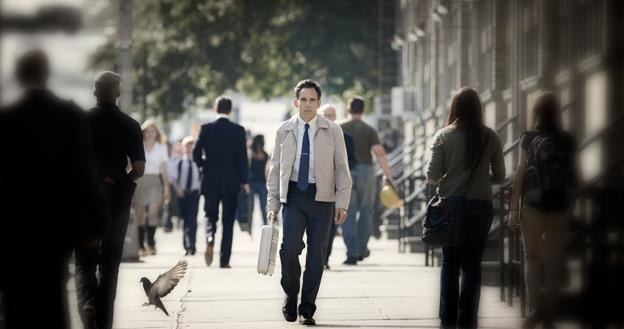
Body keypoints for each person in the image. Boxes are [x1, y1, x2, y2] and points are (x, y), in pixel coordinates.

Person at [0, 49, 108, 329]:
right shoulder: (69, 116)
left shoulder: (7, 120)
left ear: (20, 76)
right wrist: (96, 225)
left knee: (16, 303)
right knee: (52, 299)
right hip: (56, 227)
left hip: (14, 228)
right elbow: (84, 174)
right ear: (47, 75)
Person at [267, 79, 352, 325]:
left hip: (323, 199)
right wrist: (272, 205)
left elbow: (342, 170)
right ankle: (291, 295)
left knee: (316, 256)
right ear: (296, 102)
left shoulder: (332, 130)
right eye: (303, 99)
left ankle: (307, 309)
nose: (307, 104)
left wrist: (342, 203)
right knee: (289, 249)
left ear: (318, 102)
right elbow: (275, 170)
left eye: (312, 99)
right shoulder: (283, 130)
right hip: (293, 197)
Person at [426, 87, 505, 329]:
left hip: (450, 206)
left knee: (450, 263)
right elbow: (500, 175)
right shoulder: (490, 136)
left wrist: (452, 179)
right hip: (480, 205)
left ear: (455, 108)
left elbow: (432, 175)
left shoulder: (443, 135)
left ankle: (447, 319)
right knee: (472, 265)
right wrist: (481, 179)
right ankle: (468, 319)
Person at [74, 71, 146, 329]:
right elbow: (138, 168)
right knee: (110, 264)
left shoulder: (79, 122)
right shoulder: (129, 125)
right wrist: (123, 179)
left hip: (83, 200)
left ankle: (87, 305)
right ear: (117, 93)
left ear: (94, 91)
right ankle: (104, 321)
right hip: (116, 201)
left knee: (84, 262)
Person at [508, 92, 578, 329]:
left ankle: (538, 310)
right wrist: (572, 204)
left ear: (535, 113)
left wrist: (513, 208)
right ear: (558, 113)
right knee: (554, 261)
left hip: (533, 205)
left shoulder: (528, 138)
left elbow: (520, 173)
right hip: (560, 206)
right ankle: (548, 315)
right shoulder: (568, 139)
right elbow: (575, 175)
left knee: (532, 258)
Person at [193, 95, 250, 268]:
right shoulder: (238, 130)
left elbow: (196, 153)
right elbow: (242, 158)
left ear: (215, 109)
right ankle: (224, 260)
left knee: (210, 215)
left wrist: (204, 166)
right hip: (231, 182)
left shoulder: (206, 129)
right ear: (230, 110)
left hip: (210, 180)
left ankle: (210, 236)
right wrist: (244, 181)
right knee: (228, 221)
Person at [339, 96, 393, 264]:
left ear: (349, 110)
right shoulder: (369, 130)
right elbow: (380, 153)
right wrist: (388, 176)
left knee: (347, 212)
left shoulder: (339, 127)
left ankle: (352, 252)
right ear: (363, 111)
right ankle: (362, 248)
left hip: (345, 172)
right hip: (366, 173)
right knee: (366, 211)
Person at [319, 104, 357, 270]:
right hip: (316, 188)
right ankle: (316, 256)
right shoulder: (312, 135)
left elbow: (353, 161)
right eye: (325, 115)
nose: (328, 118)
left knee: (331, 227)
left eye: (331, 115)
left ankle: (324, 259)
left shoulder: (345, 137)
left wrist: (341, 167)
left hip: (335, 188)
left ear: (336, 117)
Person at [132, 119, 170, 256]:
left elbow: (164, 169)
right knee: (140, 215)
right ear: (144, 133)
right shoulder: (139, 145)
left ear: (156, 133)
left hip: (155, 181)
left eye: (153, 131)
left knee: (153, 214)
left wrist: (166, 188)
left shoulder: (162, 147)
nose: (150, 134)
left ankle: (151, 243)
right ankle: (141, 246)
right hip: (140, 180)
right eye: (147, 131)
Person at [171, 136, 202, 256]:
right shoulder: (179, 162)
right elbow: (173, 179)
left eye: (192, 145)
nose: (190, 148)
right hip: (182, 193)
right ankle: (186, 245)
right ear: (183, 148)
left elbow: (202, 177)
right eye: (187, 145)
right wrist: (178, 190)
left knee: (192, 219)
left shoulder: (198, 161)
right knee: (184, 219)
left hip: (195, 193)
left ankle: (191, 244)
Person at [249, 134, 269, 226]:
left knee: (263, 206)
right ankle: (249, 226)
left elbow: (268, 170)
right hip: (252, 184)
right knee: (250, 207)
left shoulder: (265, 155)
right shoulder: (250, 155)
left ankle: (264, 224)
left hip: (262, 184)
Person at [165, 140, 184, 232]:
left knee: (176, 204)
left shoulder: (176, 158)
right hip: (168, 183)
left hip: (176, 183)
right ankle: (168, 224)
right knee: (169, 205)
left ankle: (178, 222)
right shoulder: (166, 159)